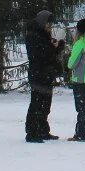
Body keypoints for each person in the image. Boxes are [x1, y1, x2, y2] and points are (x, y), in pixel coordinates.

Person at [24, 10, 62, 143]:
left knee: (45, 104)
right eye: (48, 24)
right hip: (38, 74)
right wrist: (55, 47)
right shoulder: (34, 35)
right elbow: (42, 55)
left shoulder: (42, 35)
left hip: (45, 74)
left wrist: (56, 47)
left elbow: (48, 54)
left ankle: (42, 130)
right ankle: (32, 132)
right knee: (37, 104)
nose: (49, 27)